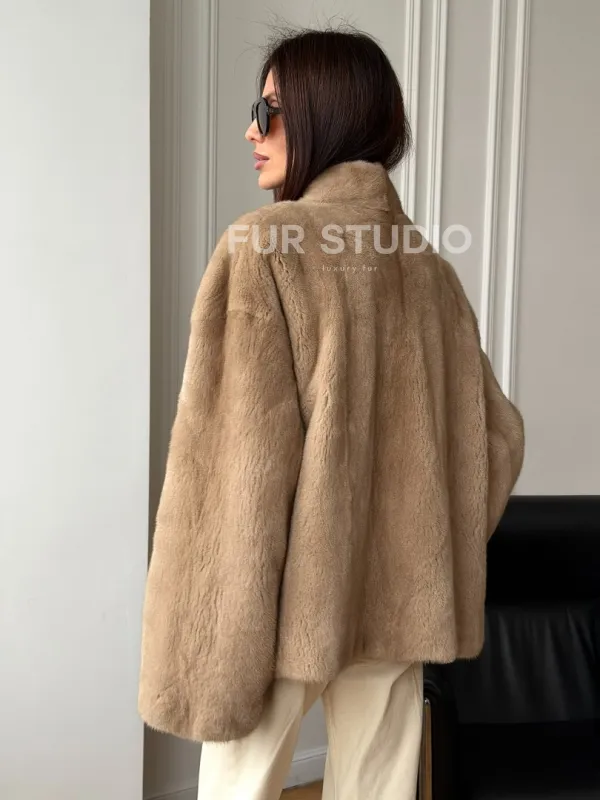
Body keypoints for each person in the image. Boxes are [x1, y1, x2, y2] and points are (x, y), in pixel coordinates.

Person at [137, 26, 525, 800]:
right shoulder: (429, 270)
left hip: (288, 605)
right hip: (403, 602)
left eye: (269, 110)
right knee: (379, 786)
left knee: (239, 786)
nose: (251, 130)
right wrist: (424, 544)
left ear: (327, 113)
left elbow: (239, 468)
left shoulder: (266, 248)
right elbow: (498, 437)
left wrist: (230, 620)